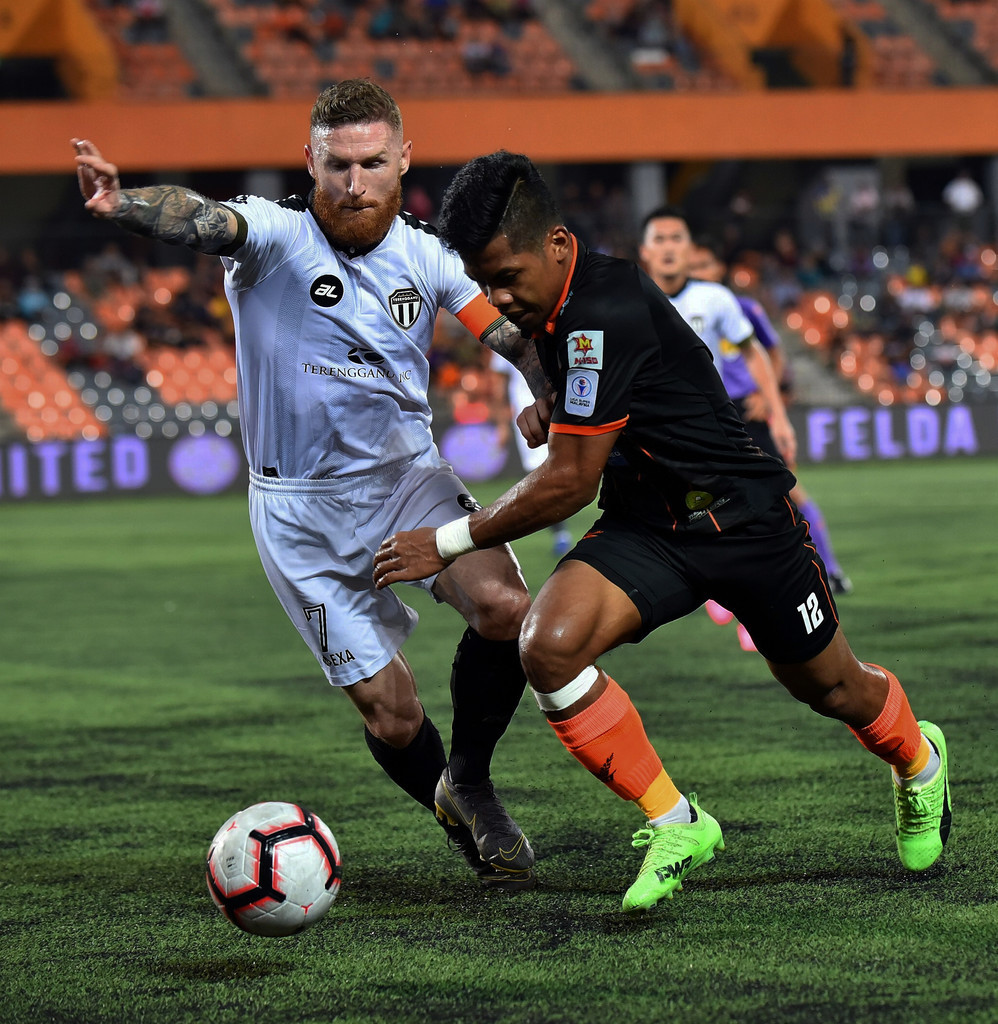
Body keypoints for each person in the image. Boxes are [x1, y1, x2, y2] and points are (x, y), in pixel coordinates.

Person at [373, 151, 951, 913]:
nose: (496, 297)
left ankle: (918, 761)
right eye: (484, 281)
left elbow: (570, 482)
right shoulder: (556, 300)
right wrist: (553, 400)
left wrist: (446, 543)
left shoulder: (601, 307)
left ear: (555, 243)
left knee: (832, 688)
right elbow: (594, 390)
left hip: (745, 520)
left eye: (507, 276)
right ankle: (677, 822)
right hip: (651, 524)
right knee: (547, 644)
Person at [73, 82, 553, 891]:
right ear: (311, 162)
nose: (354, 182)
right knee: (392, 714)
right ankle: (442, 796)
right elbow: (202, 217)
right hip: (298, 512)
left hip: (406, 478)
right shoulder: (274, 236)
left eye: (372, 163)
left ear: (402, 159)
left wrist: (543, 382)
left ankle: (469, 781)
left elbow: (507, 334)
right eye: (337, 165)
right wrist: (124, 204)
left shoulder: (429, 256)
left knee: (507, 607)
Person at [668, 226, 853, 598]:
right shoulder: (675, 307)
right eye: (695, 264)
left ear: (720, 268)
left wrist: (769, 399)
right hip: (707, 416)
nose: (699, 271)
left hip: (748, 411)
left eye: (706, 264)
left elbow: (773, 352)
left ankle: (829, 569)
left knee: (790, 491)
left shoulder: (742, 307)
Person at [490, 349, 573, 557]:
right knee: (541, 471)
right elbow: (498, 383)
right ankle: (560, 533)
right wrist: (500, 423)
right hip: (527, 414)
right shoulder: (501, 334)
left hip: (561, 407)